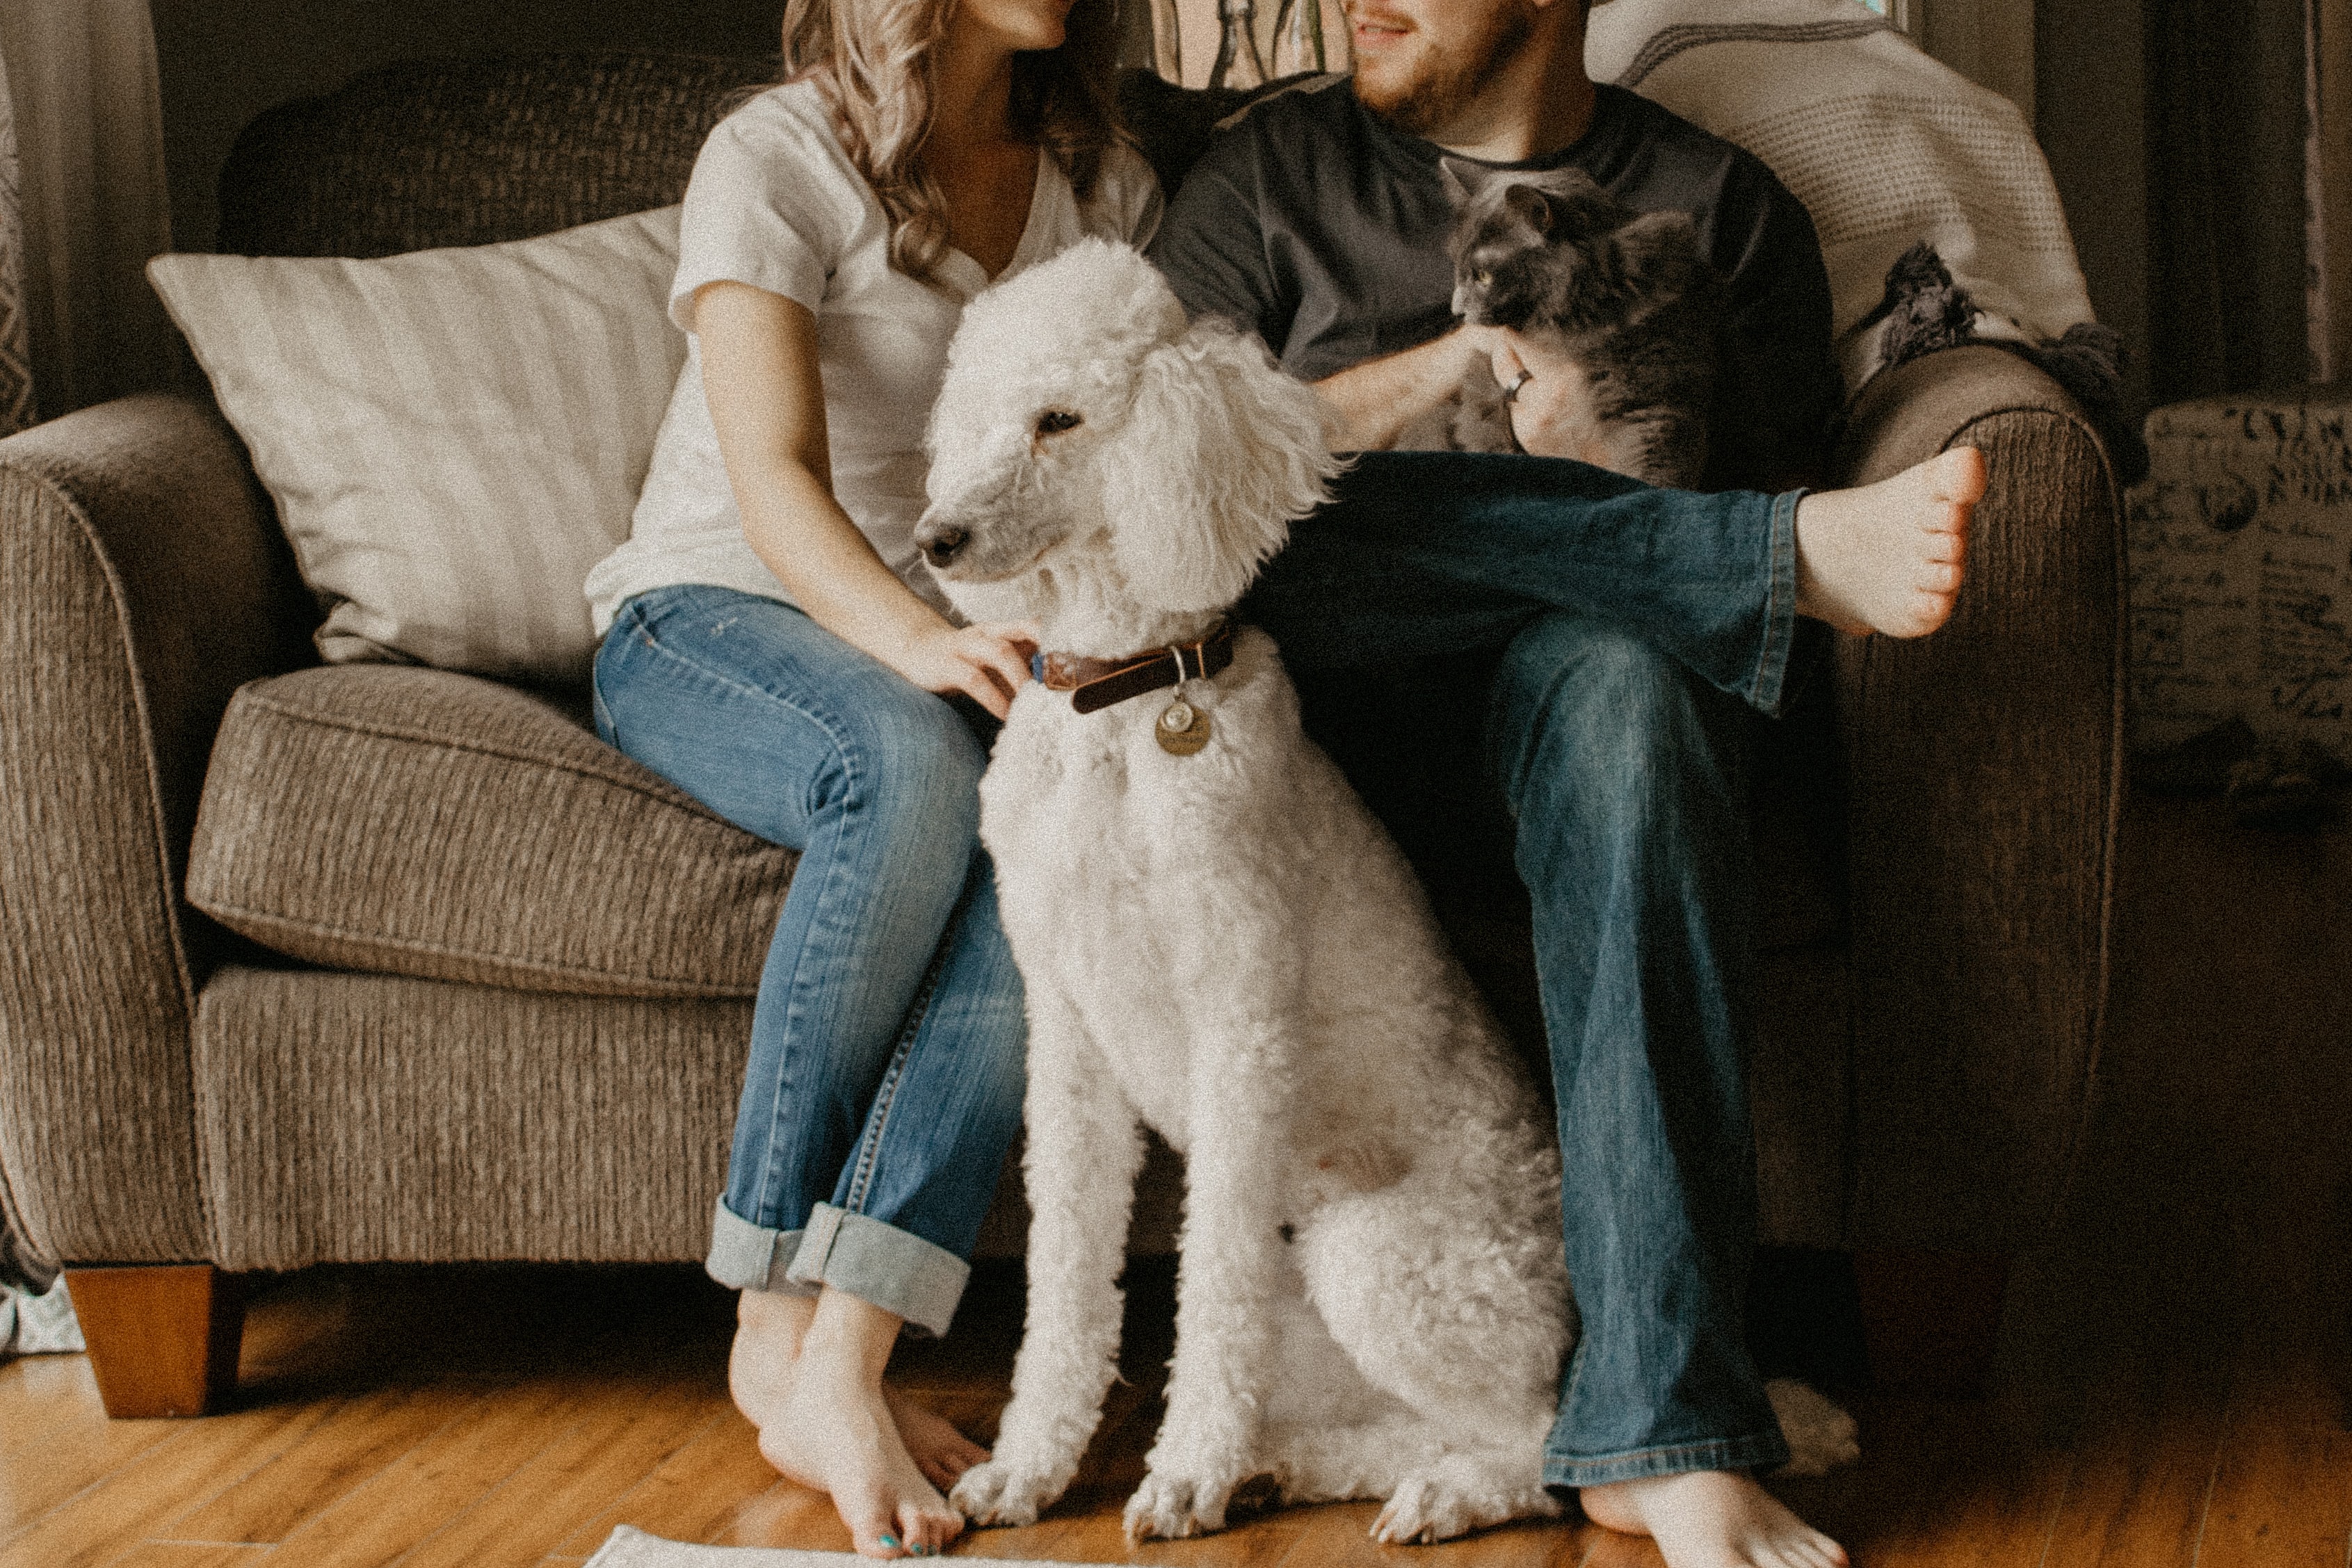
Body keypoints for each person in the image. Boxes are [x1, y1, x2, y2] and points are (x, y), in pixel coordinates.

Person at [1144, 0, 1985, 1563]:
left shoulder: (1714, 210)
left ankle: (1656, 1431)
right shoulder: (1266, 182)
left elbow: (1718, 635)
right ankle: (1758, 563)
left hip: (1575, 711)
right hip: (1319, 723)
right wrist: (1437, 381)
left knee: (1631, 684)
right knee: (1240, 511)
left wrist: (1613, 486)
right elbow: (1161, 493)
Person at [579, 0, 1161, 1553]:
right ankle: (769, 1326)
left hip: (967, 631)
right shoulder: (771, 157)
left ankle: (844, 1349)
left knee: (1061, 837)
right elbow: (767, 469)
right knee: (909, 771)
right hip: (714, 610)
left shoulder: (1098, 180)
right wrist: (910, 637)